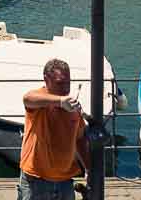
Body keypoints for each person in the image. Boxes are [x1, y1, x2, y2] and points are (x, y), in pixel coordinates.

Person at [17, 58, 87, 200]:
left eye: (68, 82)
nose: (66, 88)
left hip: (65, 180)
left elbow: (79, 138)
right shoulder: (40, 100)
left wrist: (89, 168)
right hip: (36, 180)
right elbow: (27, 98)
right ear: (46, 80)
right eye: (60, 83)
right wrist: (60, 102)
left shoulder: (73, 106)